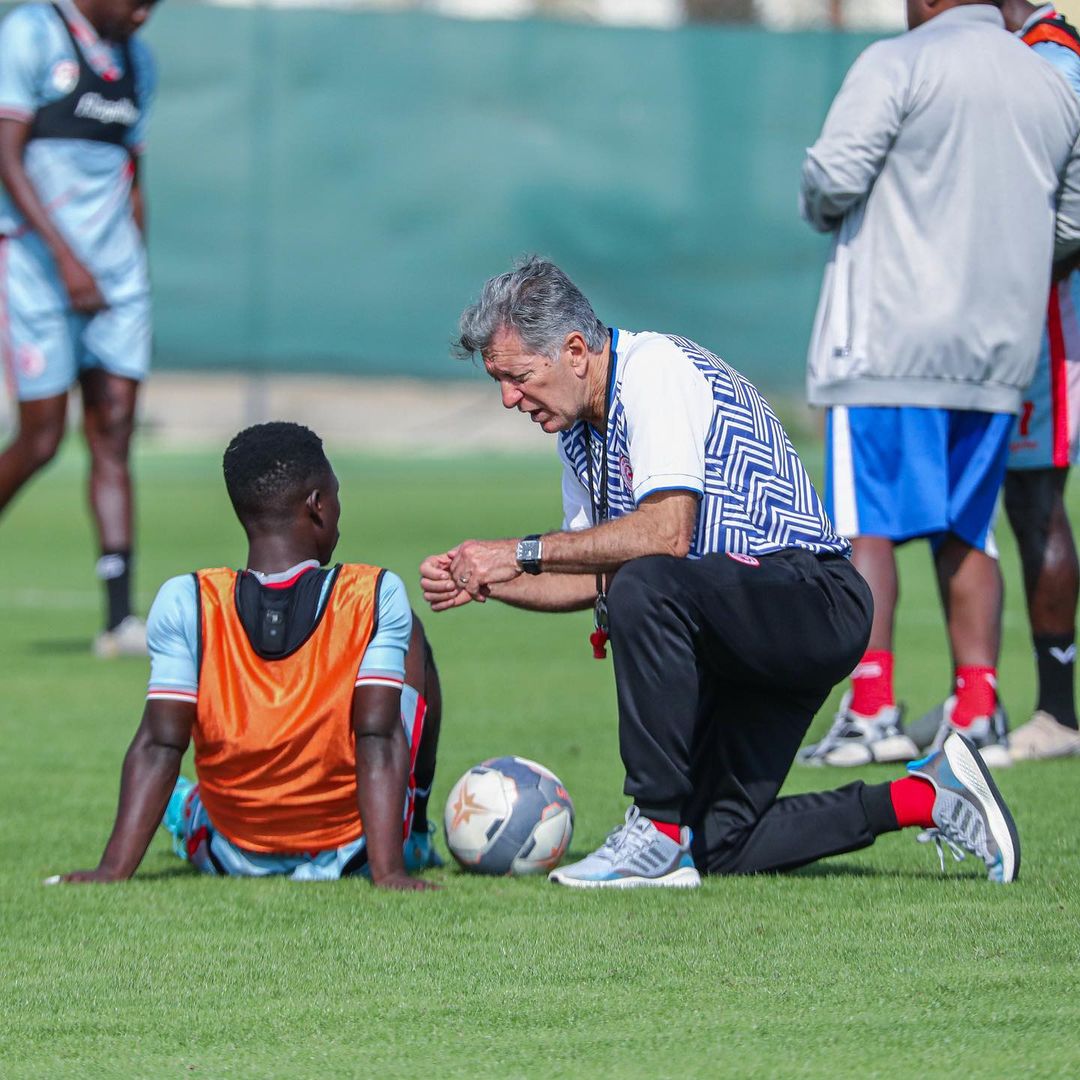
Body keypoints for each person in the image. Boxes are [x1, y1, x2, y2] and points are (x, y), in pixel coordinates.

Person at [419, 256, 1020, 888]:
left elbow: (665, 535)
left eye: (516, 377)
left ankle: (653, 829)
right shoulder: (578, 433)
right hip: (737, 626)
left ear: (574, 349)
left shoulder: (653, 369)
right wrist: (488, 579)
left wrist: (517, 552)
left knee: (646, 579)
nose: (509, 399)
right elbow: (594, 570)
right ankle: (928, 795)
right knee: (720, 843)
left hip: (814, 599)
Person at [798, 0, 1080, 769]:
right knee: (968, 529)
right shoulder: (1049, 79)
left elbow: (833, 179)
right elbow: (1072, 220)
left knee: (869, 527)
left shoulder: (897, 61)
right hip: (996, 351)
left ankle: (870, 708)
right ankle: (980, 708)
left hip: (889, 338)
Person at [51, 422, 443, 888]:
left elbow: (160, 743)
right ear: (318, 505)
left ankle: (188, 808)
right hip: (353, 851)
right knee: (410, 634)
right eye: (335, 496)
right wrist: (390, 872)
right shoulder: (371, 594)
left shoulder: (188, 600)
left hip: (228, 852)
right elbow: (378, 738)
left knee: (184, 791)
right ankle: (414, 833)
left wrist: (111, 871)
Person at [0, 0, 158, 657]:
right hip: (38, 269)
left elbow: (132, 171)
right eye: (138, 1)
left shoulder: (137, 58)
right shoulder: (31, 33)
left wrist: (131, 265)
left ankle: (120, 620)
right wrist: (66, 258)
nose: (144, 15)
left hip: (115, 278)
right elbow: (6, 155)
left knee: (115, 428)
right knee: (41, 438)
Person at [993, 0, 1080, 760]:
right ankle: (983, 699)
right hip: (1020, 317)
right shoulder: (1026, 52)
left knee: (1036, 495)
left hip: (1048, 321)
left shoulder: (1053, 60)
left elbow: (1071, 217)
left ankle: (1058, 712)